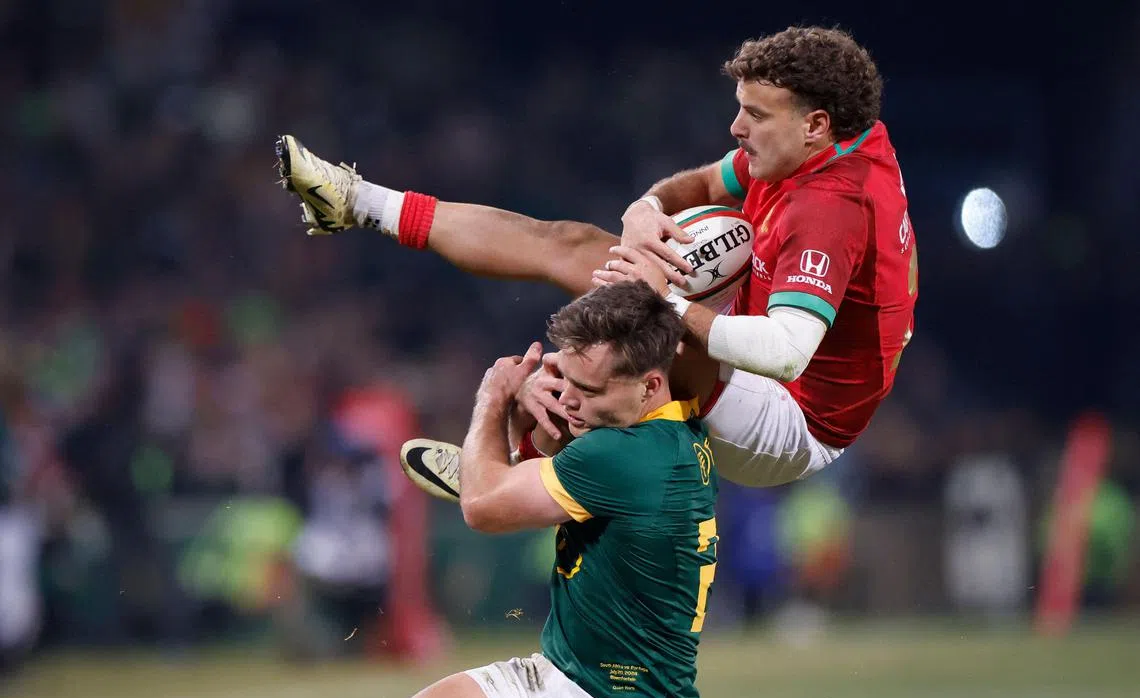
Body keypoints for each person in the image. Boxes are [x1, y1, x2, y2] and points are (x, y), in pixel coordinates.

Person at [276, 25, 917, 489]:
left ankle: (522, 464)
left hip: (800, 419)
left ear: (815, 124)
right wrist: (646, 208)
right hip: (756, 343)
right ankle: (360, 202)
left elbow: (785, 352)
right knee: (576, 243)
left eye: (754, 114)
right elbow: (695, 187)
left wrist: (663, 299)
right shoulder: (816, 144)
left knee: (648, 331)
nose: (736, 128)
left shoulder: (832, 206)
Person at [342, 281, 717, 698]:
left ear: (649, 384)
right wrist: (528, 430)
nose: (571, 400)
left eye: (589, 389)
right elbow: (551, 467)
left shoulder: (622, 454)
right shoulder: (677, 420)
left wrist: (496, 397)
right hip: (561, 680)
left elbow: (481, 506)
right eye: (568, 379)